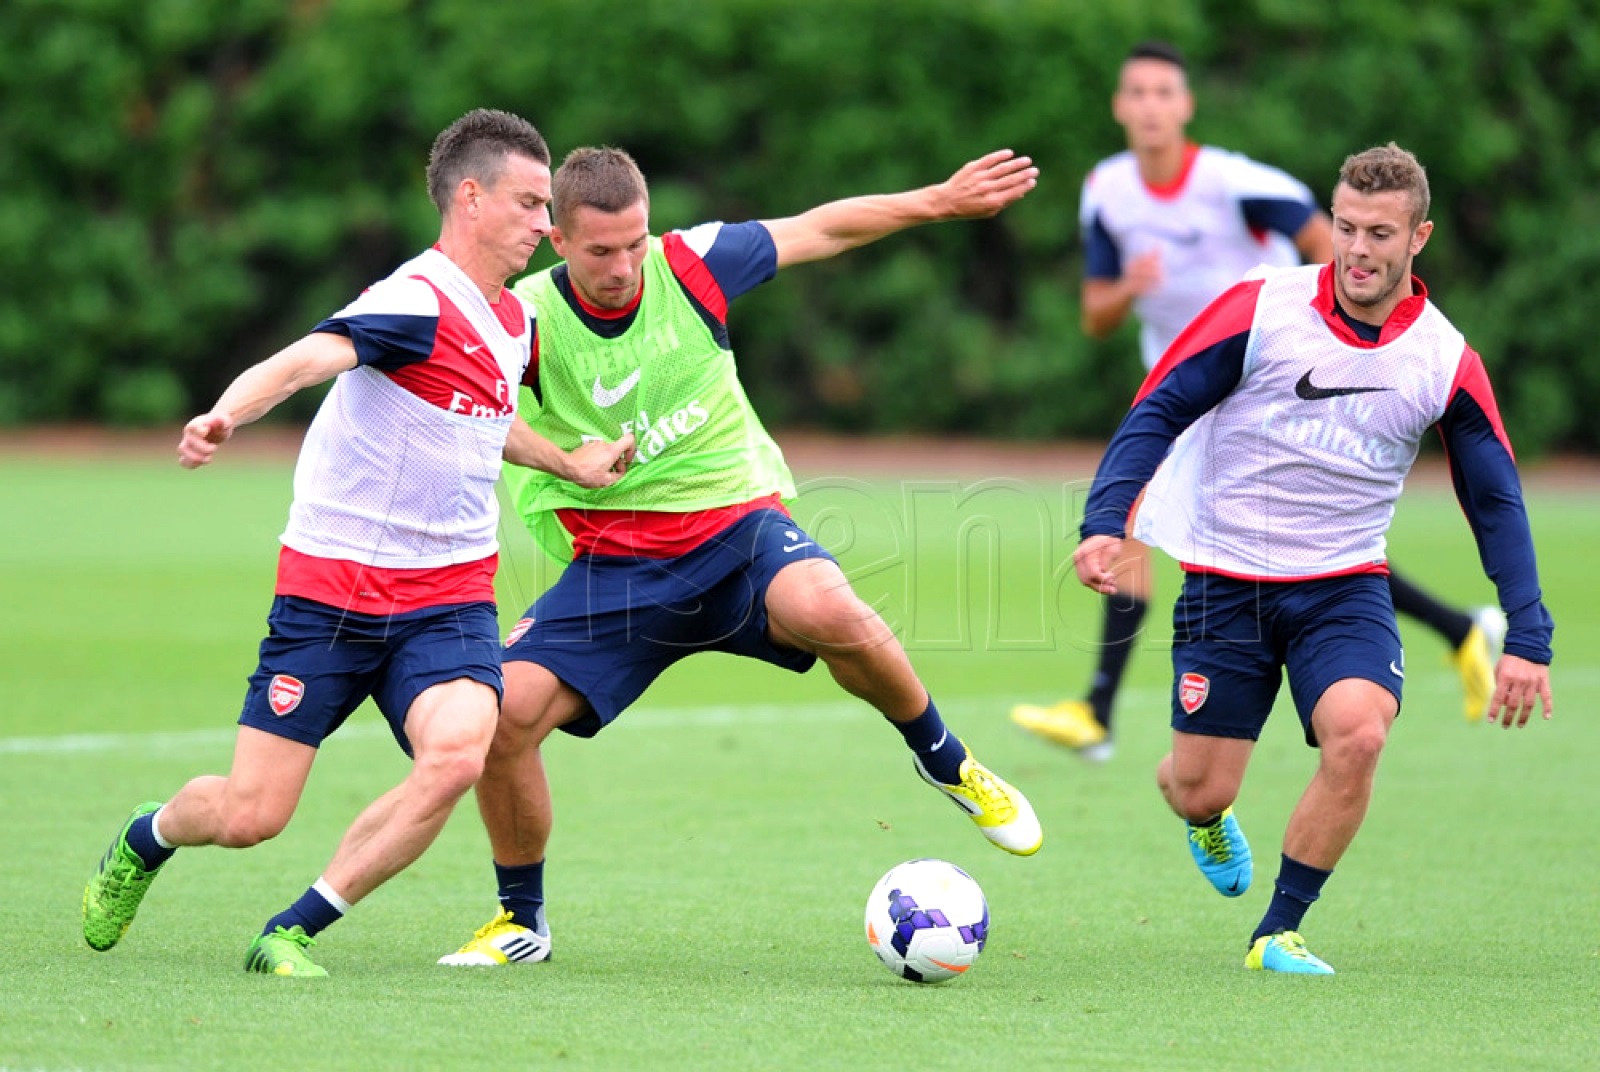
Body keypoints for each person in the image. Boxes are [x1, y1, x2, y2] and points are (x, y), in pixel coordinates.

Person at [435, 145, 1044, 966]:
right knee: (500, 722)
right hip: (618, 567)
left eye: (634, 243)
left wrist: (940, 199)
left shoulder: (692, 265)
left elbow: (822, 228)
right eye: (601, 250)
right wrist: (562, 459)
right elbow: (473, 407)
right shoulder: (521, 316)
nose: (623, 266)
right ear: (558, 242)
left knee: (830, 608)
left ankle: (947, 762)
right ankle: (522, 921)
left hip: (738, 533)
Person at [80, 109, 634, 977]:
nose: (546, 225)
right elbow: (305, 360)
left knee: (458, 753)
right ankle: (147, 837)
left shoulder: (515, 323)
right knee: (248, 814)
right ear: (471, 196)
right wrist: (228, 411)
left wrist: (569, 461)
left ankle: (292, 930)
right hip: (331, 596)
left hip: (448, 597)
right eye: (530, 204)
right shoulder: (411, 301)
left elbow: (484, 423)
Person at [1071, 142, 1553, 973]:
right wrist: (1105, 518)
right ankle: (1201, 809)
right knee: (1201, 787)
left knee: (1360, 735)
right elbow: (1159, 406)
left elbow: (1495, 501)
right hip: (1228, 583)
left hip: (1345, 585)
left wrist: (1528, 636)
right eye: (1344, 227)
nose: (1358, 250)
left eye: (1379, 233)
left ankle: (1278, 930)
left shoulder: (1443, 360)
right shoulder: (1261, 309)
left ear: (1419, 239)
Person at [1010, 41, 1504, 763]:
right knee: (1191, 531)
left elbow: (1327, 251)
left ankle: (1097, 712)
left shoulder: (1234, 181)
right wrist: (1129, 287)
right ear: (1119, 107)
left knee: (1291, 545)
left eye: (1163, 93)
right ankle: (1459, 628)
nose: (1149, 106)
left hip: (1267, 380)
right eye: (1136, 93)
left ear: (1186, 106)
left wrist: (1324, 333)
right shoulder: (1106, 190)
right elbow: (1095, 315)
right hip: (1186, 388)